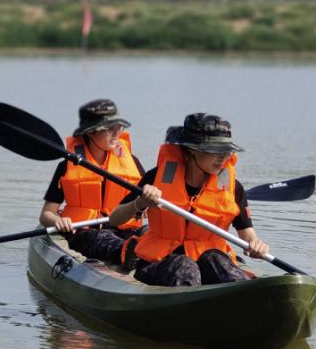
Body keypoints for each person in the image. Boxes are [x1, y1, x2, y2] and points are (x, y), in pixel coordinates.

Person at [107, 113, 269, 286]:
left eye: (226, 151)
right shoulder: (156, 178)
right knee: (185, 265)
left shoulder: (234, 188)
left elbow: (248, 236)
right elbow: (114, 219)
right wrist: (141, 203)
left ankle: (243, 299)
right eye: (215, 150)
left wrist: (257, 246)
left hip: (206, 262)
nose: (222, 157)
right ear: (192, 149)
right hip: (159, 264)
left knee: (216, 259)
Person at [39, 99, 146, 262]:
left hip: (125, 231)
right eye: (109, 128)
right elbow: (46, 215)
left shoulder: (132, 162)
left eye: (118, 127)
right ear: (90, 132)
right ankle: (129, 254)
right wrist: (58, 221)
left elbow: (146, 204)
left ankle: (138, 254)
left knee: (146, 233)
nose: (116, 132)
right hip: (84, 233)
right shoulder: (67, 167)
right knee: (100, 238)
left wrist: (145, 205)